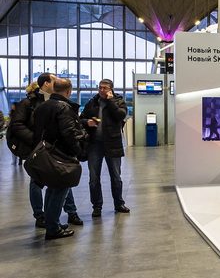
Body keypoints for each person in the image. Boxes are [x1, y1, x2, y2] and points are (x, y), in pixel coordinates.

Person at [8, 75, 83, 228]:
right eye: (54, 80)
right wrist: (37, 142)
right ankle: (41, 216)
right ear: (46, 84)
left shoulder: (55, 102)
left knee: (62, 180)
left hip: (56, 149)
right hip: (39, 149)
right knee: (38, 182)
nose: (57, 82)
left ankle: (69, 212)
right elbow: (17, 125)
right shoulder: (29, 103)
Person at [32, 78, 86, 239]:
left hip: (45, 152)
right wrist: (79, 151)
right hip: (61, 154)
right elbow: (69, 133)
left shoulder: (42, 106)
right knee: (60, 189)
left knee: (52, 188)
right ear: (69, 91)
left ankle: (51, 223)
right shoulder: (64, 107)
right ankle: (53, 228)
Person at [79, 79, 130, 217]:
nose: (102, 90)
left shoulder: (118, 101)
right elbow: (80, 119)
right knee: (93, 178)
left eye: (105, 88)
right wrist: (87, 122)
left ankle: (119, 203)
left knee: (116, 176)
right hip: (94, 144)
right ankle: (97, 206)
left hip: (113, 143)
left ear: (111, 89)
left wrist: (110, 101)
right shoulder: (92, 102)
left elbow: (120, 115)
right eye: (100, 87)